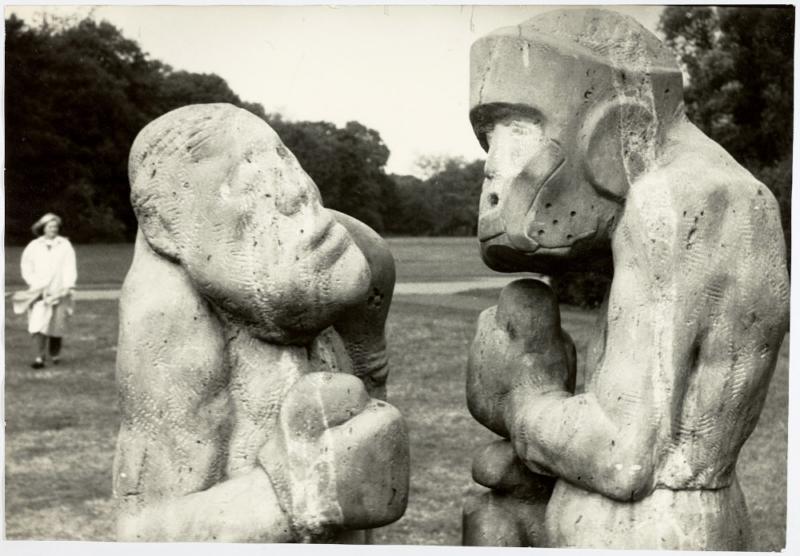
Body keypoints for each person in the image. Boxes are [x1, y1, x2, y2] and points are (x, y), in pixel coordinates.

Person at [14, 213, 77, 368]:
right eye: (50, 226)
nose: (53, 229)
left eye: (55, 226)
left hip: (59, 290)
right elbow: (26, 267)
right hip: (39, 292)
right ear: (43, 228)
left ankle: (55, 355)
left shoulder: (64, 245)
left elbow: (70, 266)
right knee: (38, 324)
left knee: (57, 325)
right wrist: (35, 285)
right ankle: (39, 358)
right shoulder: (34, 246)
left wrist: (67, 286)